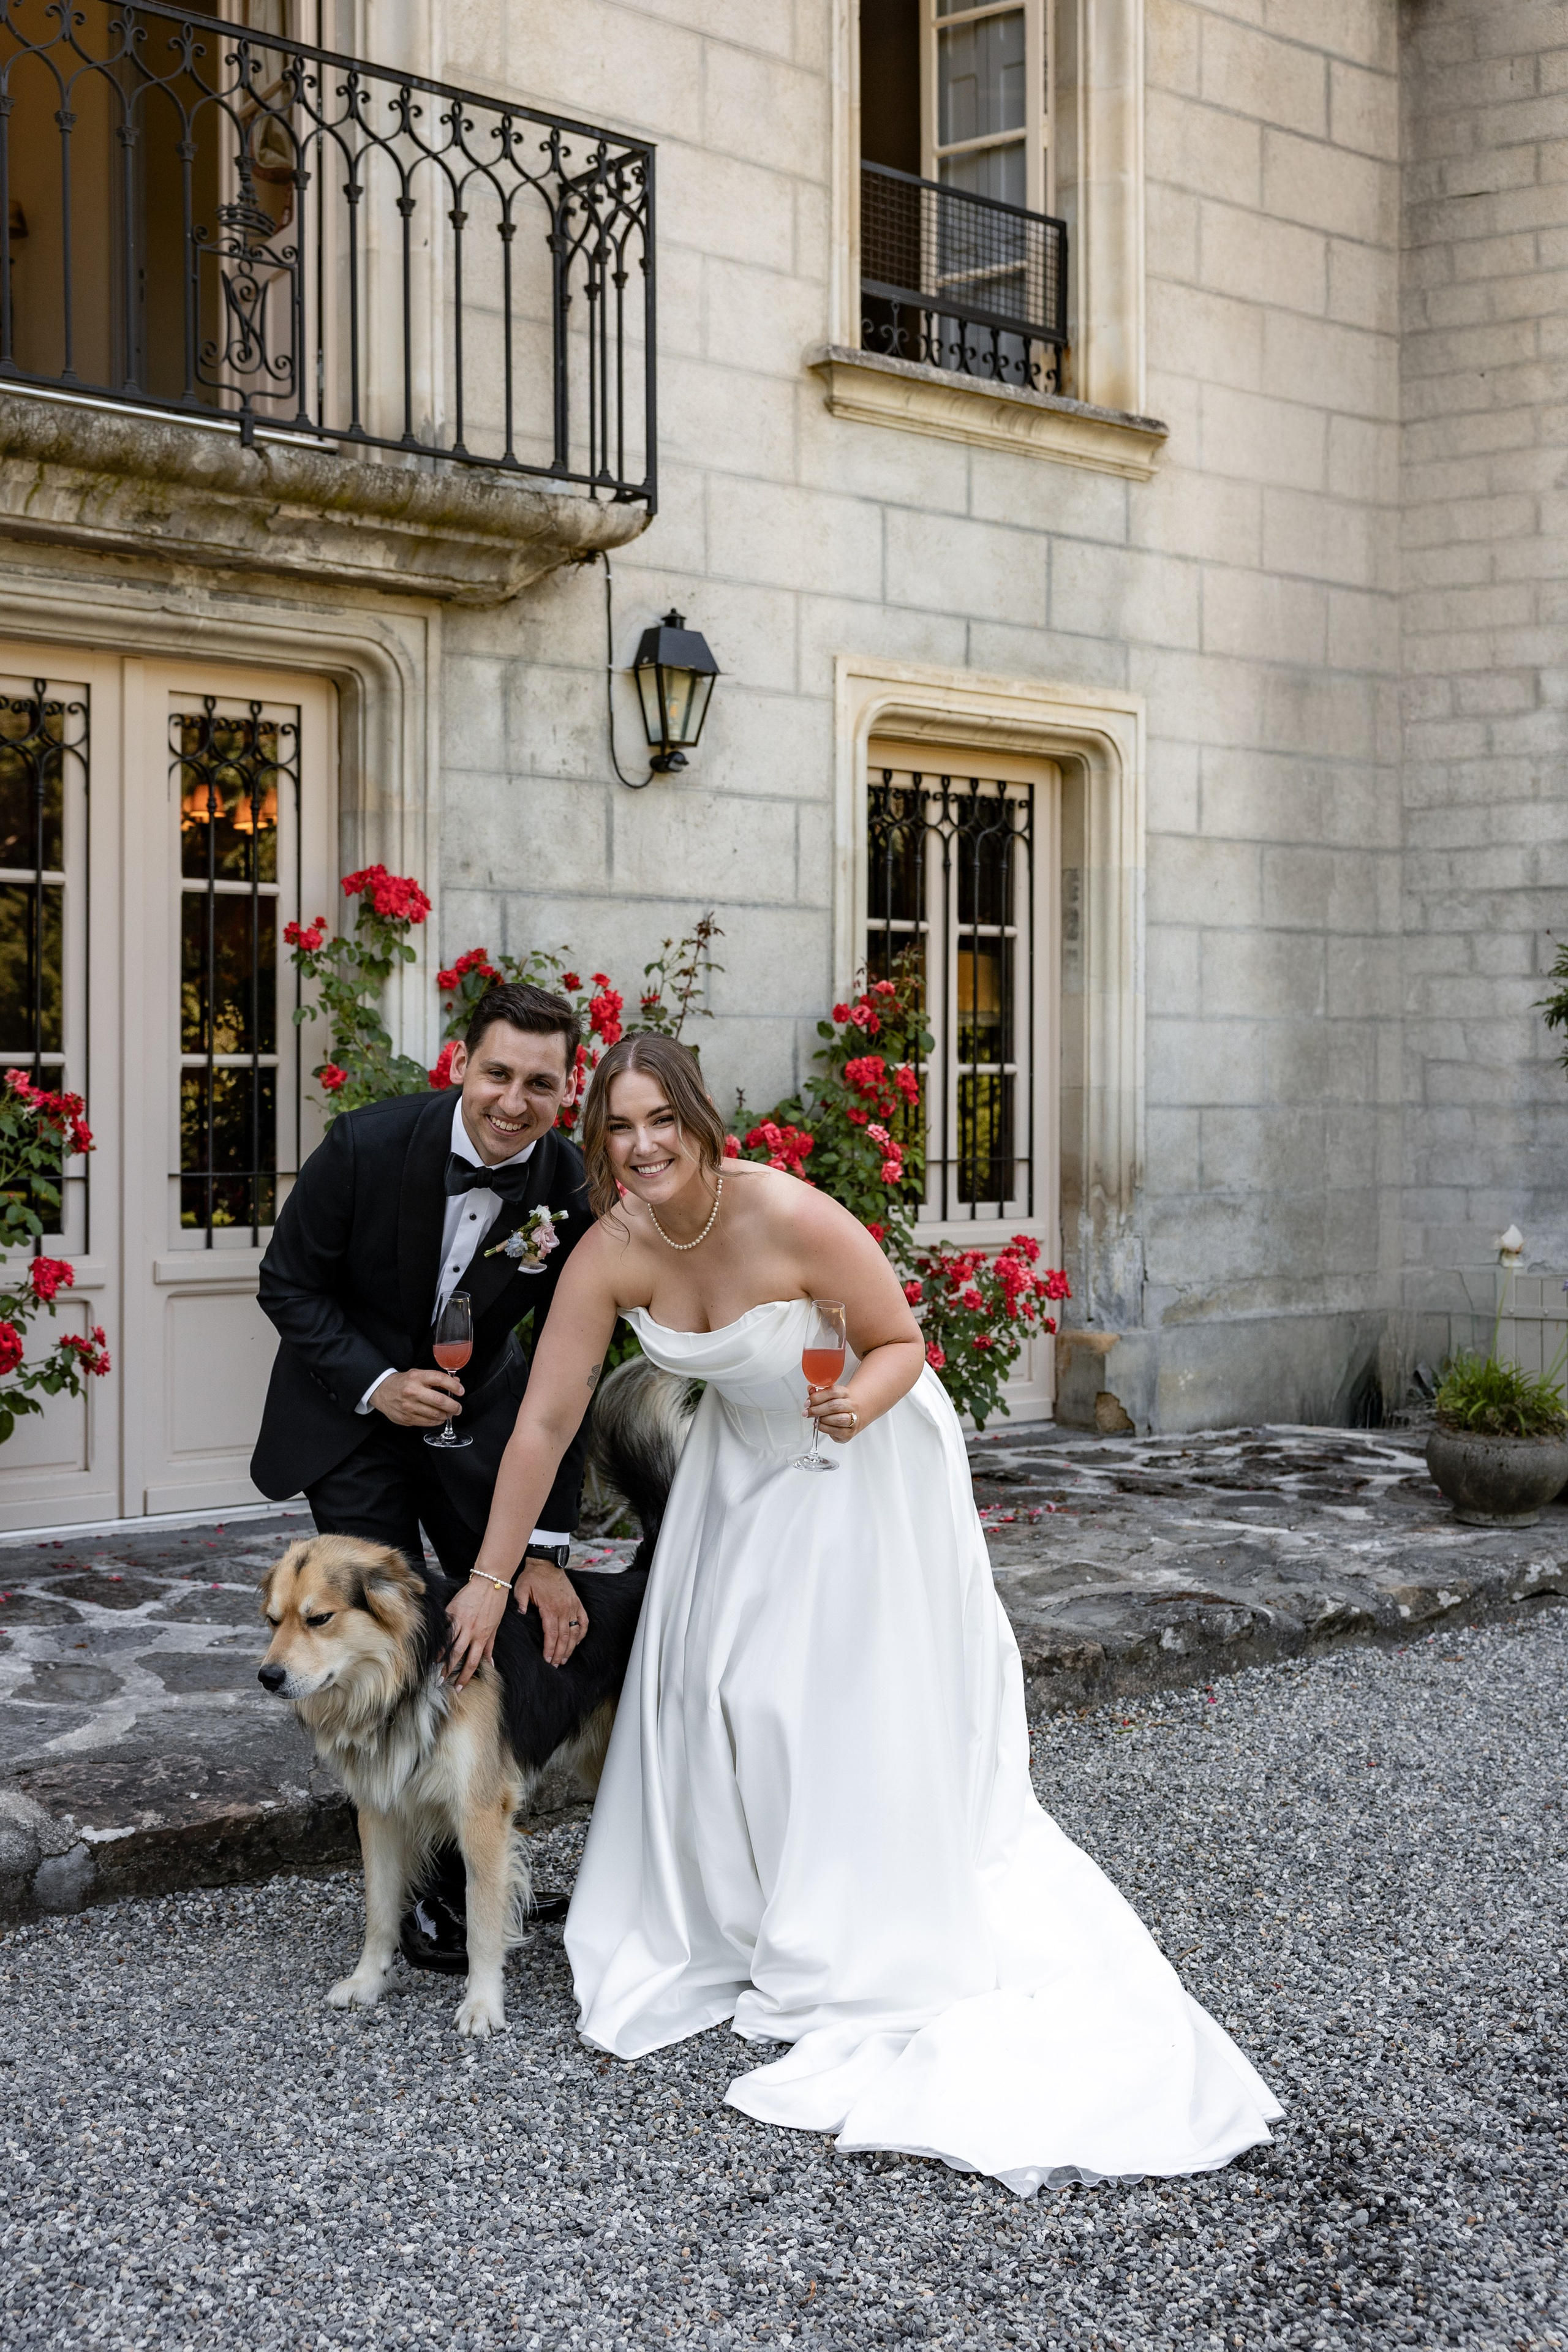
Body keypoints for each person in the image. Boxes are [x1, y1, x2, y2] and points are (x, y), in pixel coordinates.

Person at [445, 1033, 1283, 2193]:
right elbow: (542, 1426)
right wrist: (491, 1579)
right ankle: (738, 1916)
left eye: (660, 1122)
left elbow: (899, 1343)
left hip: (865, 1455)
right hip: (745, 1465)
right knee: (714, 1690)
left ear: (697, 1118)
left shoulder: (788, 1214)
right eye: (618, 1129)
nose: (641, 1148)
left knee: (806, 1691)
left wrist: (847, 1418)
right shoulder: (611, 1251)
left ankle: (849, 1914)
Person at [252, 980, 601, 1962]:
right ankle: (418, 1887)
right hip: (350, 1420)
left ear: (565, 1089)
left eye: (540, 1082)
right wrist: (376, 1384)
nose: (514, 1099)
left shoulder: (568, 1188)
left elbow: (570, 1373)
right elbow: (288, 1281)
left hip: (483, 1421)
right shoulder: (366, 1145)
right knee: (398, 1634)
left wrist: (543, 1546)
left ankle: (465, 1860)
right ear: (462, 1064)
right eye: (498, 1072)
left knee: (482, 1630)